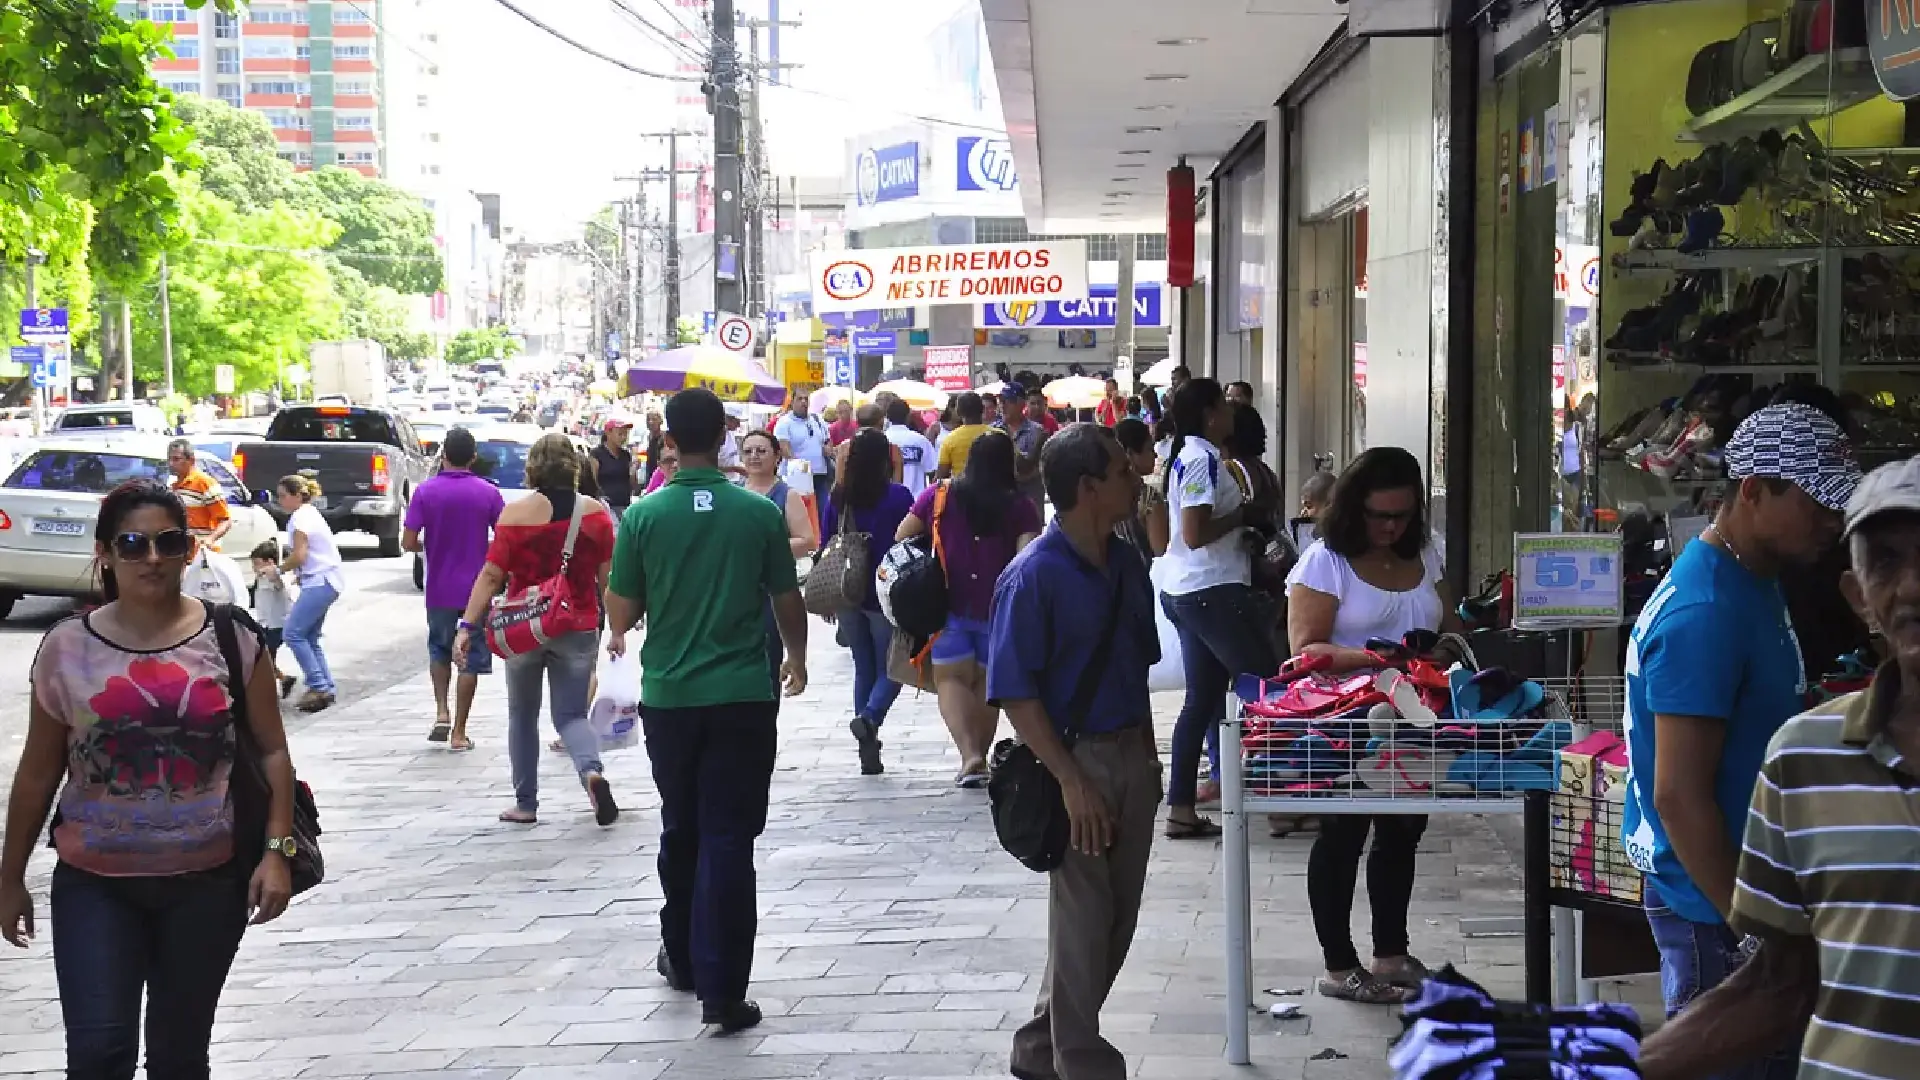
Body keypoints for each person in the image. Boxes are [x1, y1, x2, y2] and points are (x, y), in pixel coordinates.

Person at [0, 479, 299, 1079]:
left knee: (178, 1056)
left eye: (169, 542)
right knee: (97, 1054)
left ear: (190, 550)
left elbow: (272, 752)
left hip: (206, 883)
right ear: (105, 553)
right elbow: (38, 772)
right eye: (133, 544)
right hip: (95, 883)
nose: (153, 558)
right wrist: (9, 879)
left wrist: (276, 852)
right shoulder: (66, 648)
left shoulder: (230, 637)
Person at [1637, 456, 1920, 1080]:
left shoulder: (1746, 589)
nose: (1913, 587)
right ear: (1858, 596)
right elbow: (1778, 985)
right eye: (1889, 561)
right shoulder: (1806, 759)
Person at [1619, 402, 1856, 1070]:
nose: (1831, 524)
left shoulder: (1752, 579)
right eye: (1816, 506)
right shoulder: (1708, 611)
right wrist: (1751, 931)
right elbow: (1679, 795)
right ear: (1752, 492)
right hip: (1714, 916)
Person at [605, 388, 810, 1035]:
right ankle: (723, 989)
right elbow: (786, 601)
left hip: (670, 697)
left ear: (667, 439)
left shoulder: (642, 517)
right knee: (729, 838)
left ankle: (682, 956)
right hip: (743, 695)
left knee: (681, 826)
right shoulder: (756, 513)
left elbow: (621, 615)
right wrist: (797, 659)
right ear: (723, 439)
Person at [988, 424, 1159, 1080]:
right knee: (1085, 922)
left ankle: (1038, 1047)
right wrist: (1070, 780)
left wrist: (1145, 755)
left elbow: (1135, 664)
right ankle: (1082, 1063)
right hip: (1073, 761)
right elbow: (1013, 690)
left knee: (1115, 920)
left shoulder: (1126, 563)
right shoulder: (1033, 576)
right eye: (1122, 470)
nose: (1135, 478)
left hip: (1129, 758)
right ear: (1090, 488)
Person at [1285, 446, 1458, 1005]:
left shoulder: (1428, 554)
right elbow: (1304, 650)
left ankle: (1391, 950)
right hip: (1345, 720)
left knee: (1403, 831)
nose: (1389, 527)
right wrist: (1383, 661)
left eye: (1400, 516)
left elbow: (1445, 624)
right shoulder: (1324, 562)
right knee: (1343, 835)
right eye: (1378, 515)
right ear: (1353, 509)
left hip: (1414, 718)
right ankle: (1338, 965)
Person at [453, 434, 620, 827]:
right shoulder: (595, 514)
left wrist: (467, 624)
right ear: (573, 466)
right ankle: (591, 773)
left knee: (522, 715)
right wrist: (616, 628)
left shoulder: (514, 515)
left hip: (523, 628)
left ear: (532, 467)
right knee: (572, 715)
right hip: (578, 622)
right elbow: (608, 578)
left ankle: (525, 804)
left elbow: (492, 575)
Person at [1158, 379, 1279, 839]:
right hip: (1210, 590)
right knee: (1267, 686)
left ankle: (1182, 807)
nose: (1232, 413)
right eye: (1224, 406)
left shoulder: (1195, 457)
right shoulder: (1201, 460)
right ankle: (1286, 795)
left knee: (1203, 699)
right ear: (1210, 415)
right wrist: (1244, 517)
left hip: (1196, 589)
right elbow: (1194, 531)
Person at [896, 430, 1040, 787]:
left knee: (951, 679)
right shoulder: (1020, 506)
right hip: (997, 611)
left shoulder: (938, 495)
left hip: (947, 606)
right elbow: (1026, 558)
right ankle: (978, 756)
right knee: (986, 685)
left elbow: (902, 535)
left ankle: (970, 755)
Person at [403, 426, 505, 752]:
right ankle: (460, 731)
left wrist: (433, 541)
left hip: (439, 588)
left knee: (439, 649)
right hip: (478, 590)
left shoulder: (425, 492)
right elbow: (505, 539)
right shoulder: (488, 493)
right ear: (473, 458)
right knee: (471, 658)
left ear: (443, 455)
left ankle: (441, 711)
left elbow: (407, 542)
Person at [822, 429, 916, 776]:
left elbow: (827, 540)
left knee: (863, 666)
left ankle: (868, 742)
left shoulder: (839, 496)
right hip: (884, 592)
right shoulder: (898, 496)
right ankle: (870, 717)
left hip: (847, 591)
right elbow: (912, 538)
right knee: (894, 666)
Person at [740, 429, 816, 691]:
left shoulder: (787, 495)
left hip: (773, 594)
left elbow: (807, 541)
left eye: (761, 451)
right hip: (739, 592)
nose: (754, 457)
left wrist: (765, 548)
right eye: (748, 451)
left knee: (768, 662)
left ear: (776, 457)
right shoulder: (734, 493)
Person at [276, 473, 344, 714]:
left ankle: (318, 685)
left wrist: (278, 570)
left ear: (297, 496)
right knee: (309, 636)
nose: (280, 501)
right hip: (327, 579)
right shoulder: (309, 514)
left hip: (320, 581)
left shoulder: (300, 518)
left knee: (293, 633)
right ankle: (326, 685)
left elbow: (300, 555)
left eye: (283, 496)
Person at [1113, 417, 1168, 563]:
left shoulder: (1106, 493)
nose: (1155, 455)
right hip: (1144, 579)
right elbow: (1161, 553)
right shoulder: (1149, 498)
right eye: (1149, 449)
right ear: (1130, 454)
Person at [249, 539, 296, 700]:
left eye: (257, 563)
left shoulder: (276, 577)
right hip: (265, 624)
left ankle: (271, 687)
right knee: (264, 657)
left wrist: (274, 573)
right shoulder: (261, 579)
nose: (254, 568)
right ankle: (283, 679)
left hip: (276, 625)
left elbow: (281, 585)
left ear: (270, 562)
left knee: (264, 658)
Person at [167, 438, 232, 552]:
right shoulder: (173, 488)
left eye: (176, 459)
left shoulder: (205, 483)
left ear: (191, 460)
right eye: (169, 459)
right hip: (184, 553)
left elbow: (225, 521)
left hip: (204, 555)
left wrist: (210, 539)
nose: (171, 464)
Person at [996, 384, 1049, 514]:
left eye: (1007, 401)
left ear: (1021, 404)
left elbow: (1030, 468)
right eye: (1000, 402)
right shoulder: (994, 431)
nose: (1002, 406)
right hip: (1002, 503)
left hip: (1030, 501)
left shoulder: (1037, 432)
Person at [775, 394, 832, 507]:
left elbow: (828, 440)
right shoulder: (784, 422)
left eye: (806, 399)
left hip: (819, 474)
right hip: (797, 477)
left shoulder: (817, 419)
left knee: (823, 510)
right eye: (799, 399)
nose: (803, 402)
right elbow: (783, 447)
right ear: (792, 403)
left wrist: (828, 448)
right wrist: (799, 466)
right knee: (802, 510)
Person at [832, 404, 904, 485]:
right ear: (882, 421)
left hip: (854, 495)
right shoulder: (893, 449)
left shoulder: (845, 448)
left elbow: (839, 484)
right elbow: (897, 485)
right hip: (882, 494)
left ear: (858, 421)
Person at [883, 398, 937, 495]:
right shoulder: (920, 441)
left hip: (889, 500)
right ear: (908, 416)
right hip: (917, 501)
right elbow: (932, 471)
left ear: (887, 417)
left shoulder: (882, 439)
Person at [937, 391, 993, 481]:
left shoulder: (950, 440)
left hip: (961, 492)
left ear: (958, 412)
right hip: (994, 491)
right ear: (982, 409)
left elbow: (941, 477)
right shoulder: (999, 435)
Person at [592, 417, 638, 514]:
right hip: (606, 507)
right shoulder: (597, 454)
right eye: (620, 434)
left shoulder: (626, 455)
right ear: (608, 433)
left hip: (625, 505)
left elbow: (633, 485)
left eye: (625, 434)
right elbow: (592, 481)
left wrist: (633, 472)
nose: (623, 437)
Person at [717, 405, 748, 482]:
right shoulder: (716, 437)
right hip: (721, 481)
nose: (739, 425)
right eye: (737, 421)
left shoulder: (730, 433)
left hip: (732, 480)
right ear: (727, 419)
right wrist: (735, 469)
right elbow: (708, 466)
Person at [641, 411, 666, 485]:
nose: (651, 422)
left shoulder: (665, 438)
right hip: (649, 474)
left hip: (661, 475)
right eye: (648, 420)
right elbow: (643, 457)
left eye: (654, 419)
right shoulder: (647, 438)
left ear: (660, 421)